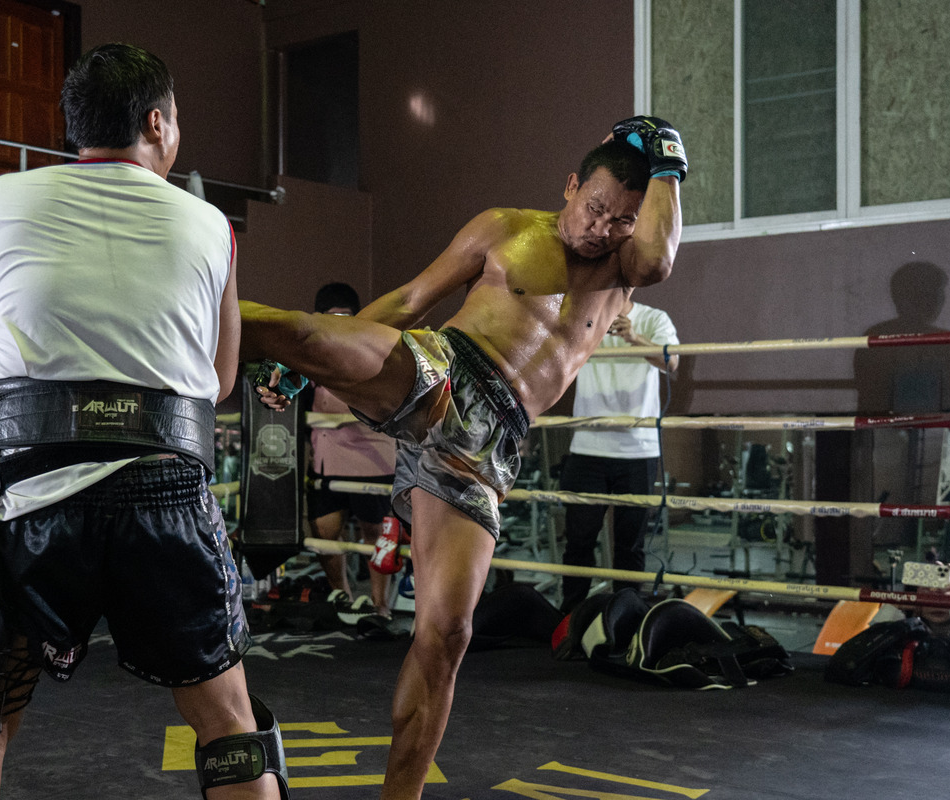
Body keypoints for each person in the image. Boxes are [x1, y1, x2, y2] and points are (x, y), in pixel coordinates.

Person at [242, 116, 685, 799]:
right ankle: (164, 316)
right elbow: (411, 299)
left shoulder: (624, 271)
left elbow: (659, 259)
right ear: (570, 186)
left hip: (488, 446)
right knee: (304, 337)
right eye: (595, 207)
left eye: (620, 220)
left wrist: (668, 160)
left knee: (447, 634)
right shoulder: (506, 228)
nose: (601, 228)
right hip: (446, 372)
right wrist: (309, 371)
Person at [0, 43, 283, 800]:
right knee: (229, 723)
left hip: (29, 494)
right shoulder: (210, 225)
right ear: (156, 123)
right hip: (161, 493)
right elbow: (222, 381)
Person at [558, 299, 677, 611]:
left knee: (630, 545)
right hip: (588, 446)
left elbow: (672, 361)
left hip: (638, 449)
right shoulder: (583, 314)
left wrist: (634, 337)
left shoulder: (654, 317)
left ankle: (626, 618)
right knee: (579, 541)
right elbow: (556, 354)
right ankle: (570, 620)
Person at [304, 282, 398, 615]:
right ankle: (341, 597)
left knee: (377, 533)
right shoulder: (307, 352)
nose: (339, 325)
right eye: (332, 318)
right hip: (325, 459)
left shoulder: (373, 345)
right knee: (325, 532)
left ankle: (380, 606)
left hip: (372, 459)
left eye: (346, 317)